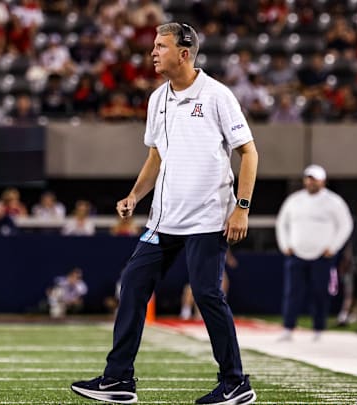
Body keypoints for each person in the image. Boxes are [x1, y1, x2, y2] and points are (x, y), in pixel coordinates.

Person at [71, 23, 258, 405]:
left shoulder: (217, 95)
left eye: (161, 46)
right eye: (153, 45)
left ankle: (236, 382)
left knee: (207, 293)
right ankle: (118, 379)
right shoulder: (157, 98)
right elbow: (156, 156)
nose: (153, 52)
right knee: (133, 285)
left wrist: (241, 208)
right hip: (163, 220)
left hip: (208, 218)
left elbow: (249, 153)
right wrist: (135, 195)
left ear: (184, 53)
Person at [276, 164, 353, 341]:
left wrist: (333, 247)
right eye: (308, 178)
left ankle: (319, 329)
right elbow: (282, 223)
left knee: (320, 292)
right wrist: (285, 245)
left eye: (314, 179)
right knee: (292, 292)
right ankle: (288, 328)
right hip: (296, 254)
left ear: (322, 181)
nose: (310, 182)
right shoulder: (294, 200)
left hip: (322, 256)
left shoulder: (334, 202)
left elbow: (346, 225)